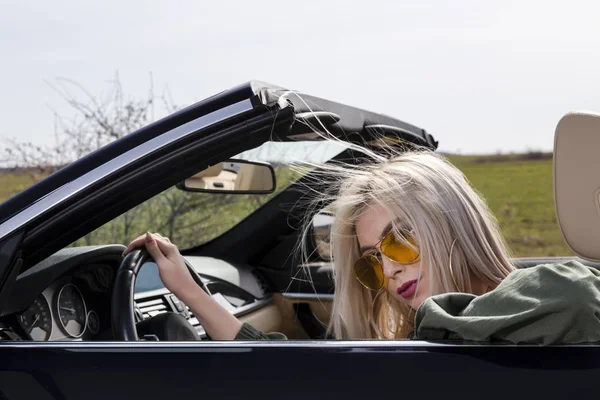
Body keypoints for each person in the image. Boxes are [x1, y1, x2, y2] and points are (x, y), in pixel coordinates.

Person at [123, 145, 600, 345]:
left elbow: (579, 301)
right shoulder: (427, 343)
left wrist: (438, 320)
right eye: (372, 262)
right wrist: (190, 292)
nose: (388, 271)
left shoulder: (550, 288)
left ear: (450, 224)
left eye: (399, 241)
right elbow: (295, 372)